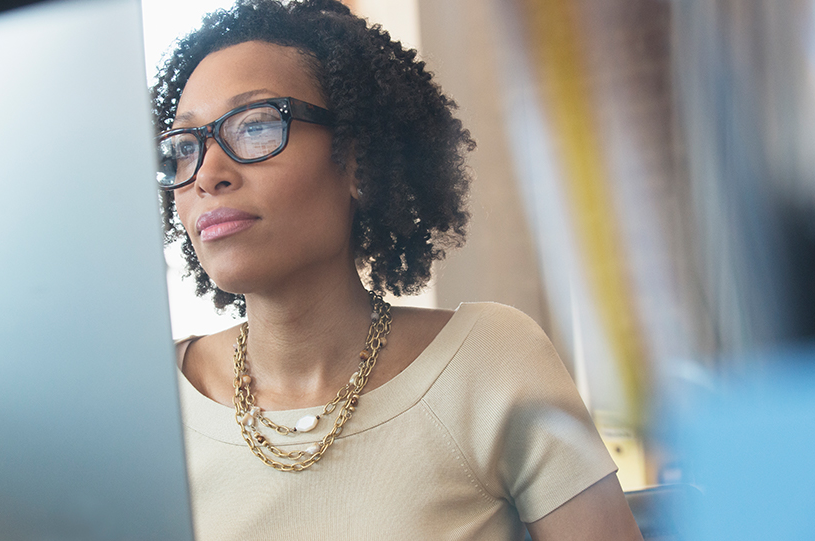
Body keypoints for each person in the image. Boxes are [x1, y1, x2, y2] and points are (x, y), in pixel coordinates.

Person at [150, 1, 642, 539]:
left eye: (256, 127)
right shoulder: (148, 401)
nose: (207, 175)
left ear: (358, 162)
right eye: (183, 147)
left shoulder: (491, 361)